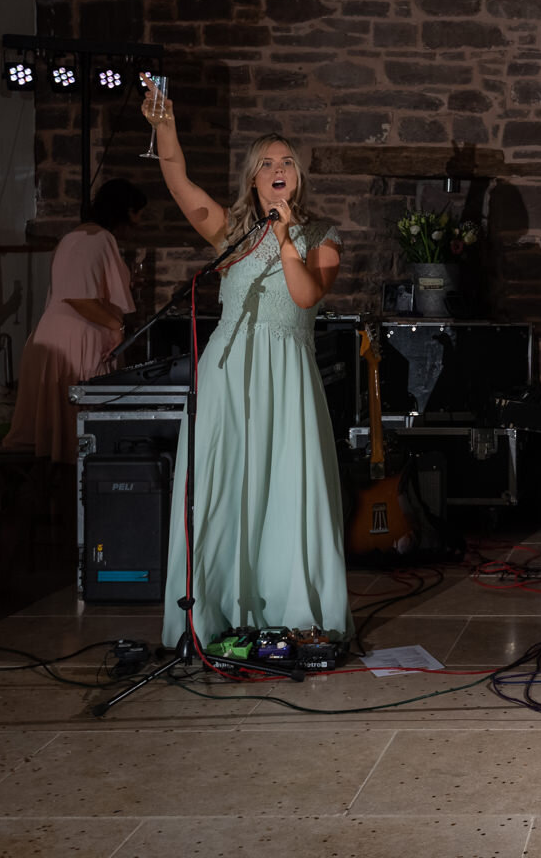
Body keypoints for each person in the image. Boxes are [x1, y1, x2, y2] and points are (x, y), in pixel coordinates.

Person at [140, 75, 352, 650]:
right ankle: (216, 610)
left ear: (297, 176)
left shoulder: (319, 237)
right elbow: (178, 180)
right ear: (252, 177)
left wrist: (286, 239)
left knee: (286, 488)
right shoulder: (229, 233)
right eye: (266, 162)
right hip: (229, 372)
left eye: (287, 161)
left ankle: (290, 609)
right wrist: (165, 124)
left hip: (286, 376)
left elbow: (307, 296)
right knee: (222, 487)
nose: (278, 168)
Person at [4, 178, 146, 464]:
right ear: (127, 211)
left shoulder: (77, 237)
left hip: (60, 335)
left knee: (64, 431)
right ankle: (75, 499)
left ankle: (63, 500)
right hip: (74, 340)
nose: (141, 221)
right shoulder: (95, 238)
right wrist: (115, 327)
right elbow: (78, 297)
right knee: (79, 427)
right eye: (140, 213)